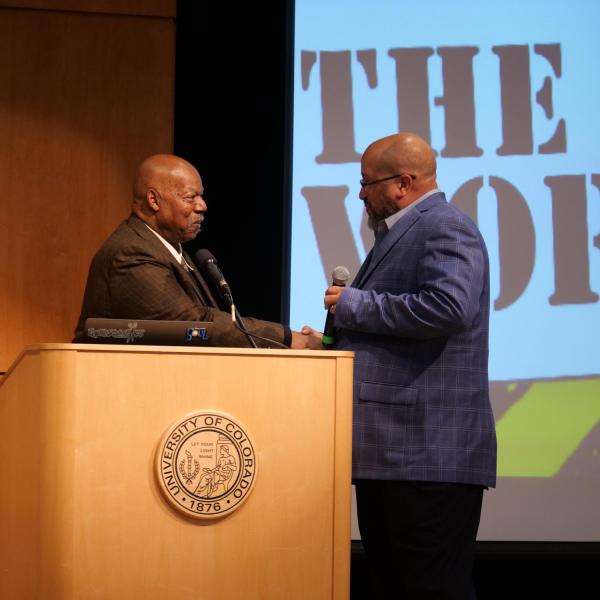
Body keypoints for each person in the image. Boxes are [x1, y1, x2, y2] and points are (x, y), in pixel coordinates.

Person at [309, 133, 497, 598]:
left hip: (425, 454)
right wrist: (333, 345)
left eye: (366, 182)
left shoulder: (445, 226)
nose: (361, 194)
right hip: (398, 454)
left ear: (403, 184)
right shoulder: (406, 229)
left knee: (430, 589)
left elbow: (447, 308)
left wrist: (353, 306)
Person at [74, 154, 319, 349]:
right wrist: (287, 338)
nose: (202, 206)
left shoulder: (166, 246)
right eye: (191, 197)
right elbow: (194, 325)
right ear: (154, 200)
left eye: (201, 196)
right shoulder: (131, 253)